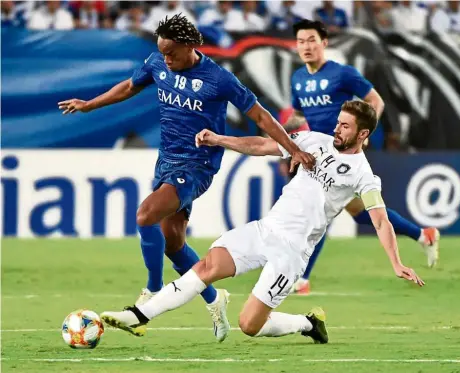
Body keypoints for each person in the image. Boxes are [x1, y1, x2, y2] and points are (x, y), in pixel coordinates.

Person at [57, 14, 315, 342]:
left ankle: (150, 293)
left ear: (191, 46)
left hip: (197, 165)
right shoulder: (157, 63)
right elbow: (129, 86)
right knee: (173, 244)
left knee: (145, 214)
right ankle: (214, 299)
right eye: (162, 53)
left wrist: (292, 147)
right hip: (166, 161)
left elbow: (261, 116)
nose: (166, 59)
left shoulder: (219, 79)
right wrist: (90, 105)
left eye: (172, 53)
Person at [100, 100, 425, 343]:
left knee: (249, 325)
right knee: (207, 267)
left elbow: (380, 220)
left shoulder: (363, 175)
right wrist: (219, 139)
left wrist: (396, 262)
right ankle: (138, 315)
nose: (337, 129)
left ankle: (308, 324)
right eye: (338, 123)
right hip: (265, 230)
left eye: (345, 126)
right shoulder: (314, 140)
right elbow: (263, 145)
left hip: (292, 253)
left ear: (363, 133)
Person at [282, 19, 439, 295]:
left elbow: (376, 101)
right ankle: (422, 234)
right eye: (301, 41)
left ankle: (302, 278)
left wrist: (362, 137)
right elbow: (299, 115)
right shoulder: (298, 78)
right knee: (358, 212)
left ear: (324, 43)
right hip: (320, 154)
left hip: (343, 154)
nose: (306, 46)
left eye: (311, 40)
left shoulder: (343, 74)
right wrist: (281, 128)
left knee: (321, 210)